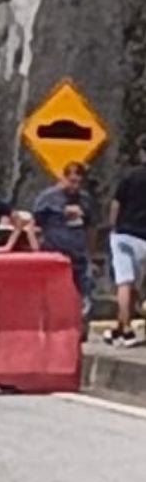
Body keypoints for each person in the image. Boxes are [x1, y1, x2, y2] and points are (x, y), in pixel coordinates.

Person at [33, 162, 96, 324]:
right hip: (53, 251)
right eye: (71, 181)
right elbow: (36, 224)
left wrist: (91, 252)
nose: (74, 186)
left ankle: (80, 327)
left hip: (79, 254)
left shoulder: (85, 199)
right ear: (64, 178)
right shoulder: (48, 198)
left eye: (78, 182)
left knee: (82, 291)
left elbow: (91, 226)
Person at [107, 136, 146, 348]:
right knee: (136, 286)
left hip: (125, 235)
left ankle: (128, 329)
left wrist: (114, 227)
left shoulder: (130, 176)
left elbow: (116, 205)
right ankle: (118, 328)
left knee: (124, 283)